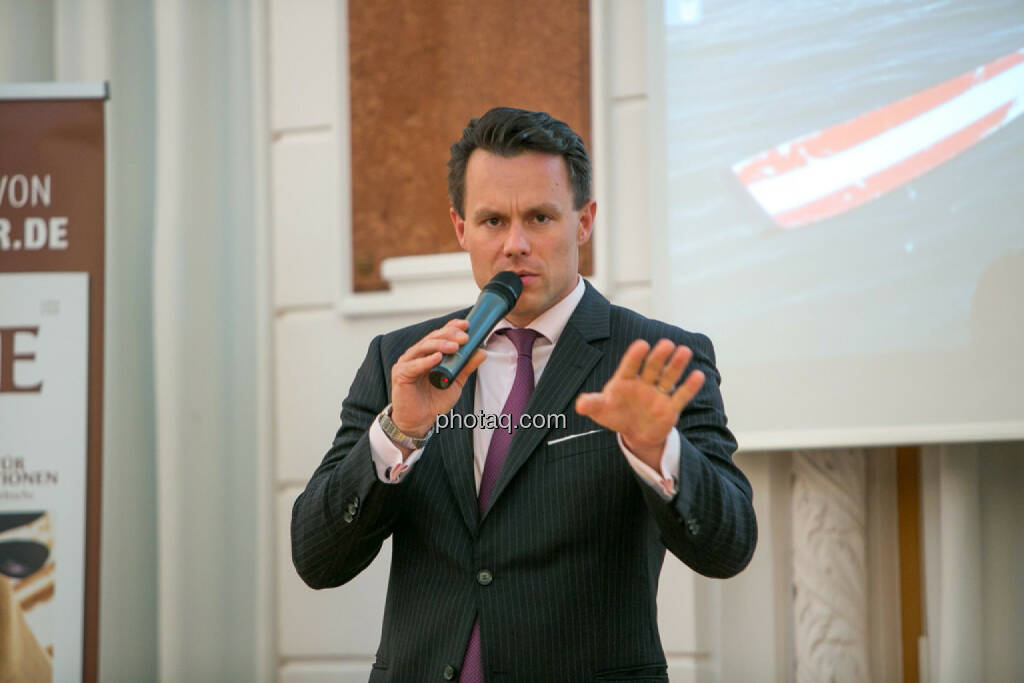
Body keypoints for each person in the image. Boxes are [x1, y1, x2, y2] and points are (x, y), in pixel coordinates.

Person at [291, 107, 756, 682]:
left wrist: (658, 452)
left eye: (539, 217)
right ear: (461, 228)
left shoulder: (656, 356)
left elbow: (729, 546)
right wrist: (398, 435)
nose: (514, 244)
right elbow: (316, 559)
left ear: (583, 221)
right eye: (492, 221)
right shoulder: (403, 360)